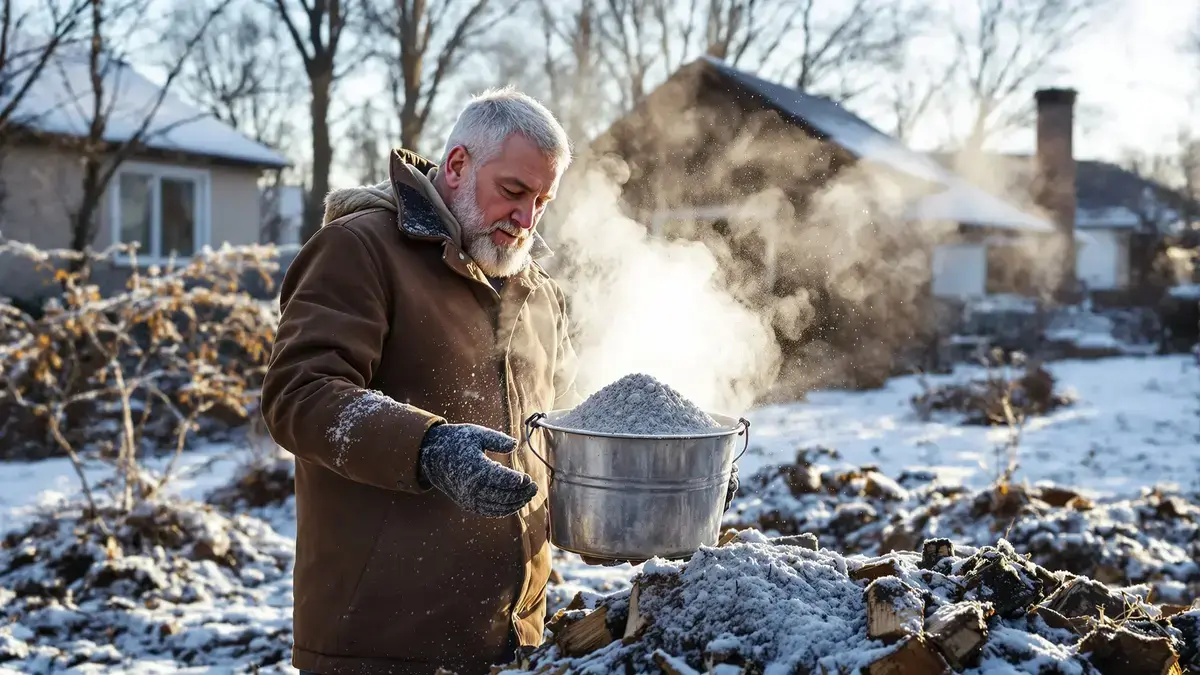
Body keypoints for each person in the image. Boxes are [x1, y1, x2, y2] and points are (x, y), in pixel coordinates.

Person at [260, 87, 738, 675]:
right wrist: (428, 448)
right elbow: (299, 393)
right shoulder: (360, 250)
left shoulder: (536, 292)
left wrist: (651, 494)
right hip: (382, 644)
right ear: (458, 165)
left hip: (513, 640)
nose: (526, 219)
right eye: (512, 191)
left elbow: (556, 432)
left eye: (542, 200)